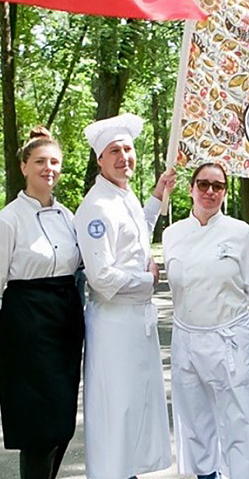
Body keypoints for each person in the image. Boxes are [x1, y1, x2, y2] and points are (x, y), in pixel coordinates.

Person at [0, 127, 84, 478]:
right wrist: (7, 345)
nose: (48, 168)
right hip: (28, 327)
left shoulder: (69, 217)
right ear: (23, 166)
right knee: (38, 429)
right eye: (39, 161)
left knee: (62, 421)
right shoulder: (7, 221)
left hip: (66, 321)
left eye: (54, 162)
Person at [73, 113, 176, 479]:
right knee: (115, 409)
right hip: (114, 321)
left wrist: (157, 194)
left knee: (135, 406)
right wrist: (147, 279)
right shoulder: (96, 207)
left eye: (128, 149)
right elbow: (102, 277)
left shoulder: (124, 195)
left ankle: (128, 471)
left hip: (137, 323)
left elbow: (137, 233)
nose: (123, 157)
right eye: (114, 151)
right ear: (100, 159)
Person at [163, 162, 249, 479]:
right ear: (191, 189)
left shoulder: (242, 234)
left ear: (225, 192)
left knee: (238, 418)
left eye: (217, 186)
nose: (209, 191)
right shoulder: (172, 234)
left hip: (227, 335)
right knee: (194, 417)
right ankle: (206, 474)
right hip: (186, 336)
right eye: (203, 184)